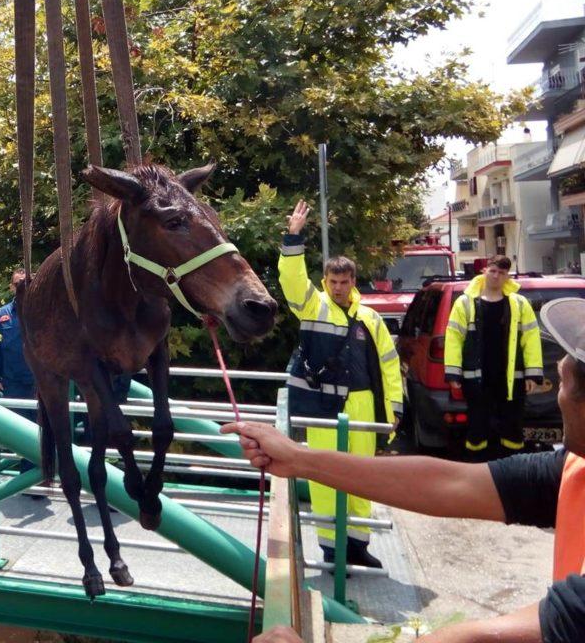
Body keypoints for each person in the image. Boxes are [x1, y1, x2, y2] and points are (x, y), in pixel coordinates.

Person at [223, 296, 585, 643]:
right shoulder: (573, 469)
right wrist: (299, 459)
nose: (559, 384)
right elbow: (453, 483)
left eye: (566, 380)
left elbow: (502, 636)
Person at [279, 199, 402, 569]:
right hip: (322, 409)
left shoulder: (370, 318)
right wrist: (293, 236)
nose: (338, 287)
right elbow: (290, 279)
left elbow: (389, 366)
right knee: (325, 479)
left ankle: (359, 545)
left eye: (344, 282)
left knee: (361, 477)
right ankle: (332, 550)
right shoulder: (311, 306)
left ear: (353, 281)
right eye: (332, 282)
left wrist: (394, 408)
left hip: (362, 404)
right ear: (325, 282)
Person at [445, 255, 542, 460]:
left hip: (511, 379)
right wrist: (453, 373)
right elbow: (454, 338)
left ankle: (511, 471)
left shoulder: (519, 304)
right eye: (493, 271)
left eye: (502, 272)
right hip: (476, 379)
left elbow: (531, 339)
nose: (497, 276)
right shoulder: (465, 303)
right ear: (484, 271)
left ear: (508, 276)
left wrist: (532, 374)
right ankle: (477, 470)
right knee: (477, 428)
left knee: (512, 427)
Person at [0, 269, 37, 475]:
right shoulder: (2, 315)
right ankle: (28, 478)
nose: (21, 288)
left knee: (39, 432)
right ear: (11, 287)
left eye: (26, 283)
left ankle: (38, 478)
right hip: (13, 383)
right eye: (18, 284)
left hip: (39, 384)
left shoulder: (42, 312)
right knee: (20, 433)